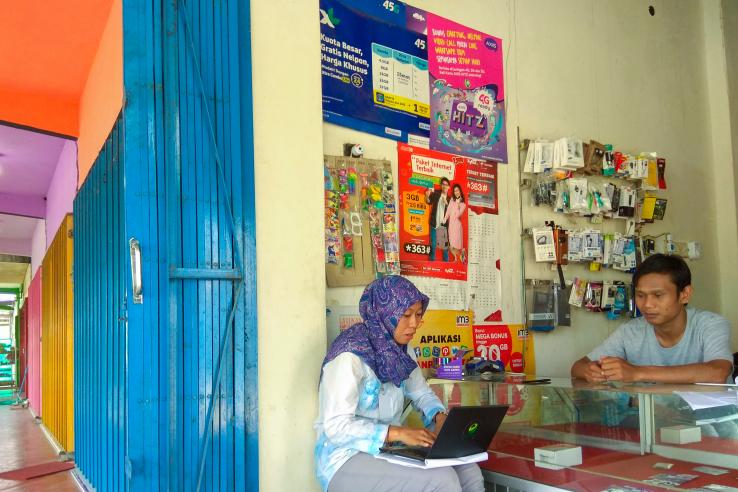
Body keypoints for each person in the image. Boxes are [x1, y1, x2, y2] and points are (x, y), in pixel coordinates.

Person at [315, 276, 485, 492]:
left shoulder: (401, 351)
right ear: (385, 314)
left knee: (469, 470)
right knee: (442, 480)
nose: (414, 324)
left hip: (390, 449)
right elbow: (336, 426)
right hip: (344, 458)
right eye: (406, 315)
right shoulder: (349, 355)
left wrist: (438, 417)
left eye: (418, 315)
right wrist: (396, 433)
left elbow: (421, 394)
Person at [571, 254, 733, 384]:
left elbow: (717, 372)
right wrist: (590, 371)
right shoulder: (631, 331)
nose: (647, 305)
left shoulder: (710, 324)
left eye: (658, 295)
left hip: (711, 421)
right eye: (641, 295)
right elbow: (578, 367)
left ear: (685, 294)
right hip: (657, 419)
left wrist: (637, 373)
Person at [425, 178, 450, 262]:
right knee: (433, 243)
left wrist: (446, 204)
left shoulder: (450, 199)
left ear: (448, 187)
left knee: (444, 246)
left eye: (446, 184)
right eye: (443, 184)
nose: (444, 186)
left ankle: (446, 263)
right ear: (441, 185)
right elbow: (428, 202)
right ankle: (432, 260)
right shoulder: (436, 193)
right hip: (434, 223)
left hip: (443, 225)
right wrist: (427, 196)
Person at [444, 184, 467, 263]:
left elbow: (457, 215)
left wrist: (458, 203)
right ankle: (459, 257)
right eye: (455, 191)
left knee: (454, 245)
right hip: (451, 225)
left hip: (457, 226)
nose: (456, 192)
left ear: (460, 191)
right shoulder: (452, 200)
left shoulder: (463, 204)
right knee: (451, 246)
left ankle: (459, 257)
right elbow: (448, 211)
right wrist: (445, 218)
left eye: (457, 190)